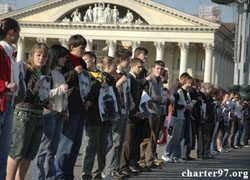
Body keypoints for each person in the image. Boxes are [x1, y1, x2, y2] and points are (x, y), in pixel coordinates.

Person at [6, 42, 50, 180]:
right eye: (38, 55)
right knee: (17, 153)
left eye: (44, 56)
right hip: (24, 114)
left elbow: (44, 99)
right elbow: (20, 96)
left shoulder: (44, 74)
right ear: (32, 55)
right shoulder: (26, 70)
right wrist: (34, 89)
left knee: (29, 155)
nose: (41, 58)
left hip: (38, 115)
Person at [32, 44, 69, 180]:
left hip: (58, 114)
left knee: (52, 150)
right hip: (48, 113)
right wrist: (61, 89)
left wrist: (65, 111)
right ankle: (39, 177)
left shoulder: (59, 73)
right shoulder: (48, 74)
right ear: (56, 57)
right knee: (43, 151)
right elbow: (45, 94)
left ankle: (50, 177)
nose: (65, 59)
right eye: (63, 57)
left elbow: (63, 98)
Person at [81, 52, 118, 180]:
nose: (84, 62)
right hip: (92, 116)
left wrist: (114, 113)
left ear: (93, 60)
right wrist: (98, 86)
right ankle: (86, 174)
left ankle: (97, 175)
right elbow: (87, 93)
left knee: (102, 147)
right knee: (90, 146)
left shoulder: (107, 77)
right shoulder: (85, 76)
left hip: (105, 117)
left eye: (86, 59)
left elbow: (114, 95)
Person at [55, 34, 87, 179]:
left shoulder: (82, 62)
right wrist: (74, 72)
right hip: (69, 105)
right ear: (72, 47)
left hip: (81, 106)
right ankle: (60, 174)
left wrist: (89, 99)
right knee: (66, 144)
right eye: (81, 47)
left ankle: (69, 174)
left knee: (76, 144)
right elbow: (60, 79)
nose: (83, 50)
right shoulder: (65, 59)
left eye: (85, 47)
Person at [104, 49, 134, 179]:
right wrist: (121, 81)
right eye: (128, 60)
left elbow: (126, 92)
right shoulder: (114, 75)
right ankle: (109, 169)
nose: (128, 63)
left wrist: (131, 102)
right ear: (121, 60)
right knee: (114, 141)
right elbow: (112, 89)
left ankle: (116, 168)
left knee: (120, 141)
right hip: (117, 110)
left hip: (125, 109)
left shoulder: (124, 74)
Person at [0, 17, 20, 180]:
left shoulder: (11, 53)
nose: (19, 37)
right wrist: (5, 85)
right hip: (1, 102)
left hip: (8, 103)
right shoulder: (1, 50)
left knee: (4, 150)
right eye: (18, 33)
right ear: (12, 32)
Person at [119, 58, 145, 177]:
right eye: (138, 67)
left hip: (136, 113)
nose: (141, 69)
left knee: (133, 141)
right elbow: (128, 96)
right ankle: (123, 166)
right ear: (132, 66)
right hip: (130, 114)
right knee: (127, 141)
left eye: (141, 67)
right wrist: (134, 111)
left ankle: (129, 164)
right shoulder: (128, 78)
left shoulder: (135, 79)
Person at [139, 60, 165, 169]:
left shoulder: (160, 80)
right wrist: (153, 98)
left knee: (154, 137)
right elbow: (143, 95)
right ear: (153, 68)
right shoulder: (149, 79)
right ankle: (142, 160)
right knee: (146, 137)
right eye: (157, 68)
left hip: (157, 111)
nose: (159, 71)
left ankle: (149, 160)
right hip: (149, 110)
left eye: (161, 69)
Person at [161, 75, 193, 163]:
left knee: (180, 137)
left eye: (191, 83)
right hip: (177, 116)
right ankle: (166, 154)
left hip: (183, 116)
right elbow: (175, 105)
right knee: (175, 137)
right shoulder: (179, 91)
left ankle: (177, 156)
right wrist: (185, 106)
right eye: (188, 83)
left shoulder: (186, 92)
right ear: (184, 82)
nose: (189, 85)